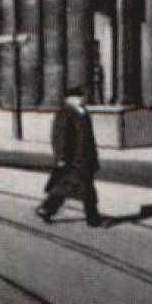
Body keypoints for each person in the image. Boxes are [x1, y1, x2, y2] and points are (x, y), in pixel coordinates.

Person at [37, 87, 104, 227]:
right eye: (79, 97)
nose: (83, 99)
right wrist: (60, 157)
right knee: (81, 187)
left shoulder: (83, 112)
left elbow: (90, 138)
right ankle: (92, 218)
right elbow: (59, 137)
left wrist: (94, 156)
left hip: (85, 158)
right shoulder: (65, 112)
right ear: (71, 98)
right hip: (72, 159)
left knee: (72, 186)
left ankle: (48, 209)